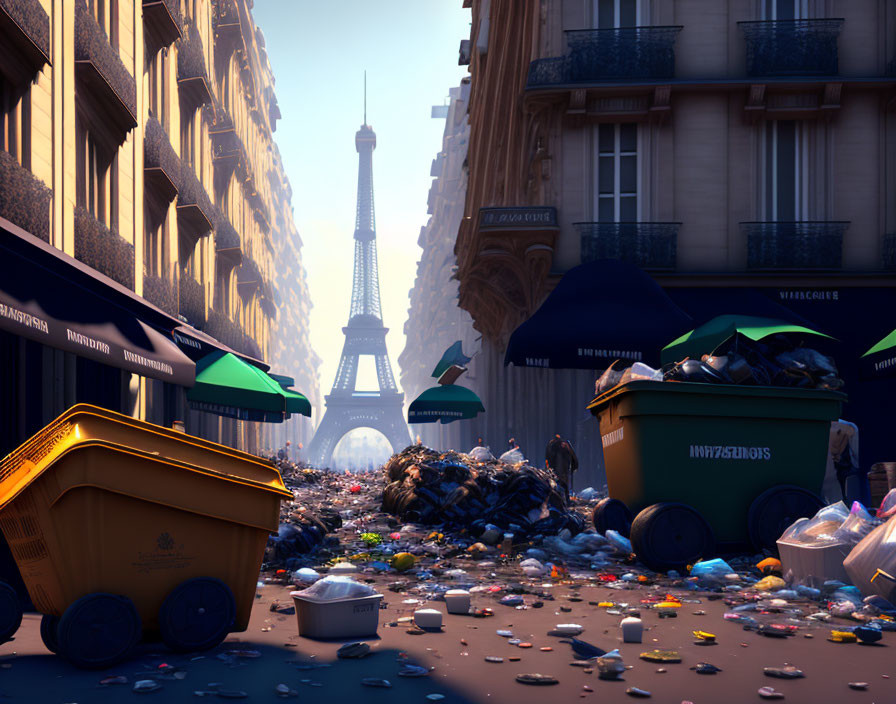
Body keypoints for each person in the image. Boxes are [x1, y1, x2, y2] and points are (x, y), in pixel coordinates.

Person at [545, 434, 578, 503]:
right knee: (563, 482)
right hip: (563, 466)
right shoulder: (565, 445)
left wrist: (549, 467)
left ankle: (562, 499)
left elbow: (548, 457)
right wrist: (574, 466)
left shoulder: (552, 444)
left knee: (559, 481)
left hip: (559, 467)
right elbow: (573, 457)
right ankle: (565, 499)